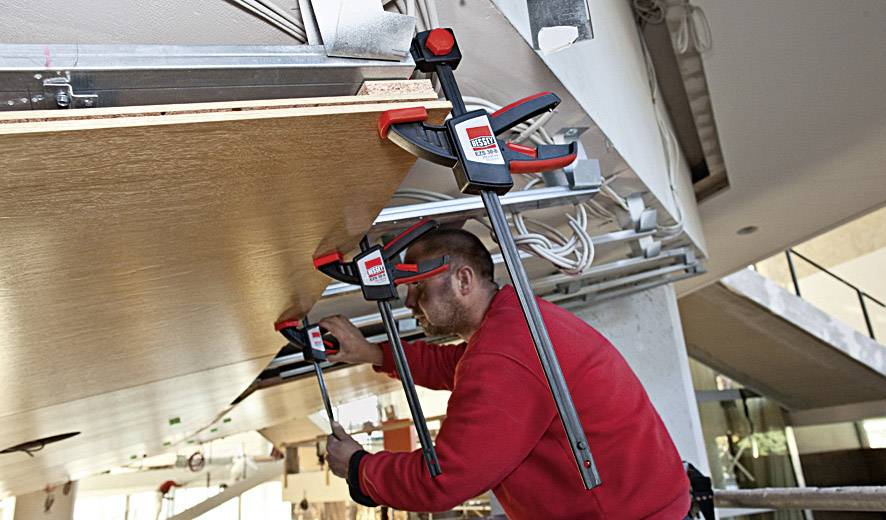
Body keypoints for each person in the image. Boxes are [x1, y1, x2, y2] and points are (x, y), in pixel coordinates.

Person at [321, 229, 690, 519]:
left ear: (463, 281)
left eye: (418, 286)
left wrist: (359, 468)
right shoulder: (514, 321)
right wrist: (369, 352)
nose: (409, 302)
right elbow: (455, 367)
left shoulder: (505, 353)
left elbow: (441, 481)